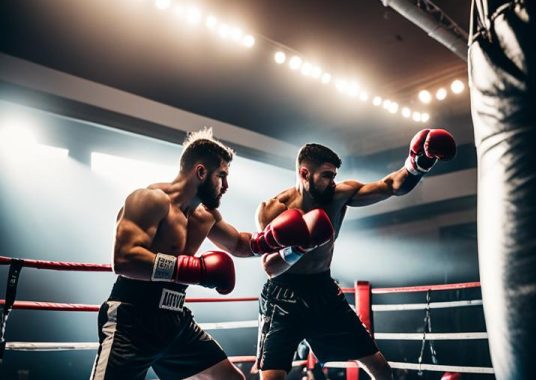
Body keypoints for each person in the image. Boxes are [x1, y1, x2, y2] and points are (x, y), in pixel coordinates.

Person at [91, 128, 315, 380]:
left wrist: (286, 243)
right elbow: (124, 260)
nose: (226, 186)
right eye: (222, 176)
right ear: (200, 172)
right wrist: (194, 269)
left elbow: (241, 244)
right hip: (133, 319)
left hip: (175, 320)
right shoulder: (150, 199)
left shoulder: (204, 215)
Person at [254, 128, 456, 380]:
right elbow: (269, 267)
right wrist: (299, 247)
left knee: (381, 369)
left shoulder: (338, 196)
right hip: (282, 295)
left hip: (323, 290)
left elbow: (390, 186)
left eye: (334, 175)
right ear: (304, 173)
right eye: (326, 176)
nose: (333, 182)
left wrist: (418, 164)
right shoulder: (272, 209)